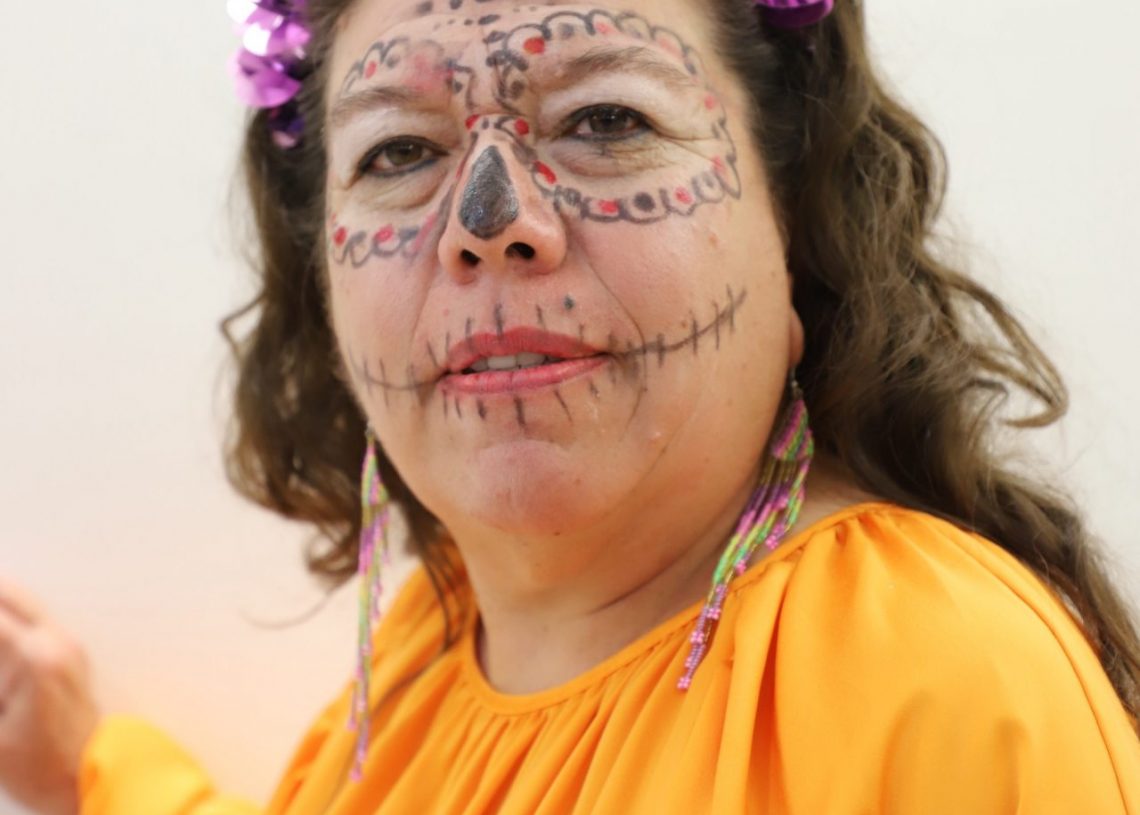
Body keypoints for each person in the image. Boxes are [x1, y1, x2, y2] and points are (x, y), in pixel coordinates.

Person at [2, 0, 1139, 812]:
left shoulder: (933, 673)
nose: (489, 222)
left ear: (794, 222)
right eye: (400, 149)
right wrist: (90, 761)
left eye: (606, 122)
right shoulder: (423, 655)